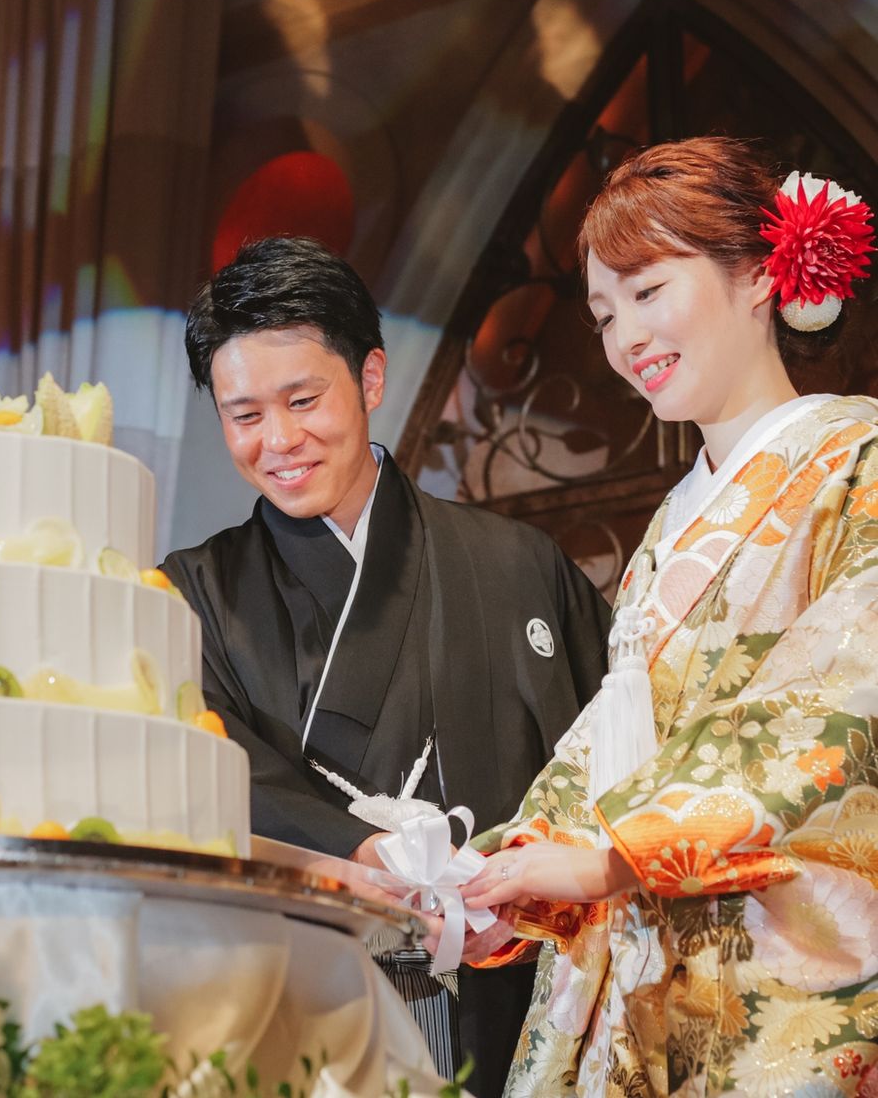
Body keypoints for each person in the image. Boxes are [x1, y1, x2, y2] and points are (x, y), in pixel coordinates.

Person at [458, 137, 878, 1097]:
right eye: (606, 315)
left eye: (649, 291)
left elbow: (844, 694)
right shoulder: (670, 526)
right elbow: (618, 733)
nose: (625, 338)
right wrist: (511, 869)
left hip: (789, 966)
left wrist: (617, 852)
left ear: (760, 274)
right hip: (649, 965)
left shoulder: (859, 456)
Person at [162, 235, 612, 1095]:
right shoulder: (190, 594)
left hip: (521, 997)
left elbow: (616, 758)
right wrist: (360, 851)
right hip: (306, 1001)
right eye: (244, 416)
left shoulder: (518, 564)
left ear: (371, 379)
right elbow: (201, 763)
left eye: (303, 400)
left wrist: (530, 889)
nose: (279, 440)